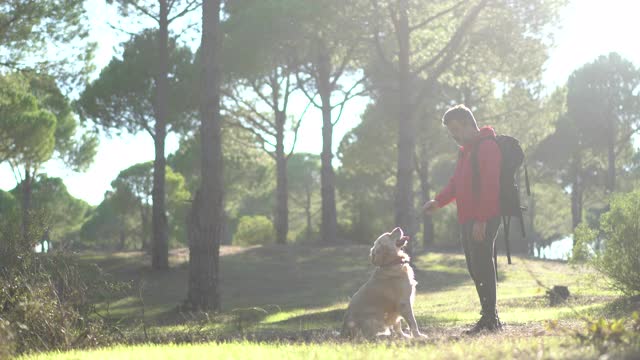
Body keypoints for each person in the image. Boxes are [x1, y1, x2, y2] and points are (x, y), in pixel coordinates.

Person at [423, 104, 503, 334]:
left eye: (457, 129)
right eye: (451, 132)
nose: (454, 135)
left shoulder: (487, 146)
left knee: (482, 265)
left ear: (470, 124)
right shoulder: (465, 151)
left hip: (483, 217)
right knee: (474, 267)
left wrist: (482, 220)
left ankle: (490, 319)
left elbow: (490, 186)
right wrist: (438, 201)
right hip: (466, 217)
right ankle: (490, 317)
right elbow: (456, 183)